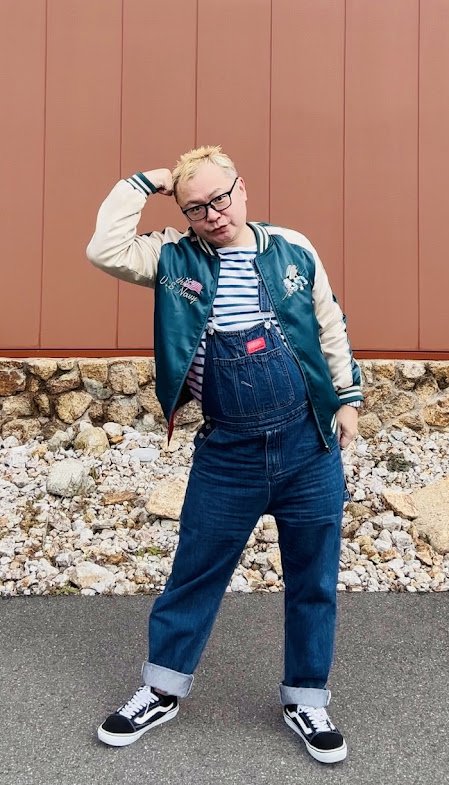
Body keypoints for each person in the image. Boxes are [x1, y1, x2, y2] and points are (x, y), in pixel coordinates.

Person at [86, 145, 363, 764]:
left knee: (313, 578)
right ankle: (161, 689)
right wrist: (148, 181)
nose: (213, 214)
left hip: (309, 444)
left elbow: (329, 322)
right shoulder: (170, 257)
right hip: (227, 454)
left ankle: (307, 698)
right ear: (182, 213)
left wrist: (347, 400)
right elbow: (103, 249)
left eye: (220, 197)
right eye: (196, 207)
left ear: (242, 188)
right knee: (194, 572)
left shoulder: (293, 248)